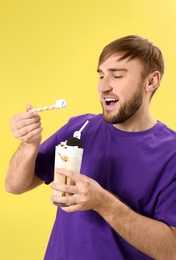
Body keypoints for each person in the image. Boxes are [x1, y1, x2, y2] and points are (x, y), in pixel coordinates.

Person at [5, 35, 176, 260]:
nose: (104, 87)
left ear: (151, 82)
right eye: (101, 75)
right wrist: (29, 144)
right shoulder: (79, 128)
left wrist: (103, 202)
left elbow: (171, 250)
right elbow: (15, 185)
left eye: (117, 75)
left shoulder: (171, 153)